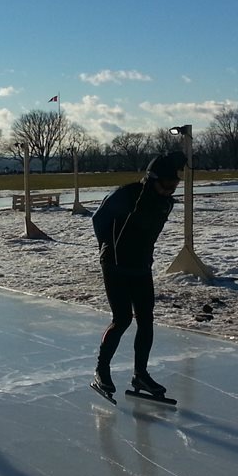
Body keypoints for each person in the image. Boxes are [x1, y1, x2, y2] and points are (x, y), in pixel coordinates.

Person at [90, 151, 187, 399]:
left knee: (146, 319)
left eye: (174, 185)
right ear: (153, 178)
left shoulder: (166, 202)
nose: (170, 190)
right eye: (167, 184)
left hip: (141, 266)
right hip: (114, 264)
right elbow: (99, 219)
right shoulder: (127, 194)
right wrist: (109, 247)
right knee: (122, 319)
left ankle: (140, 374)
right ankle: (101, 370)